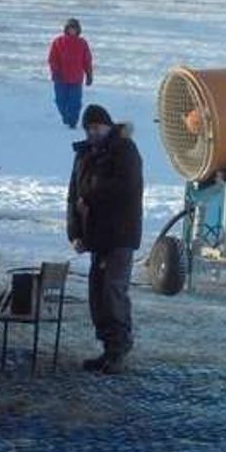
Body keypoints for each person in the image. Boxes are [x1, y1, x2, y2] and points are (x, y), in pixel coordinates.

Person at [67, 104, 143, 374]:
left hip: (120, 234)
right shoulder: (85, 154)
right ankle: (108, 347)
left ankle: (119, 348)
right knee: (98, 294)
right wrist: (74, 232)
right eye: (88, 129)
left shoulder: (124, 150)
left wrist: (90, 195)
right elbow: (73, 195)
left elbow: (124, 188)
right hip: (97, 236)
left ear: (108, 125)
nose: (92, 133)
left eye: (96, 127)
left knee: (112, 290)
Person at [47, 18, 94, 129]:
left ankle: (73, 122)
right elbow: (52, 58)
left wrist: (89, 75)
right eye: (70, 28)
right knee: (60, 101)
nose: (72, 30)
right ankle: (66, 117)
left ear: (78, 30)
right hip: (60, 78)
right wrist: (55, 71)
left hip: (76, 78)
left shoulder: (82, 43)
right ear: (66, 29)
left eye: (74, 28)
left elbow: (87, 60)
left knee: (75, 102)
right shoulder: (58, 42)